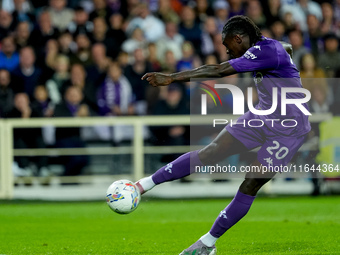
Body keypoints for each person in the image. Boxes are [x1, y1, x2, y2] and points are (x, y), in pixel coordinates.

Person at [136, 16, 311, 254]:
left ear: (239, 38)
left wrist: (171, 77)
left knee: (251, 181)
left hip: (288, 129)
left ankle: (207, 243)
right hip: (263, 115)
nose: (228, 52)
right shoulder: (269, 48)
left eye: (229, 46)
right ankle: (141, 186)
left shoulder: (266, 51)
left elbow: (219, 70)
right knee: (210, 152)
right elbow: (286, 47)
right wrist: (286, 51)